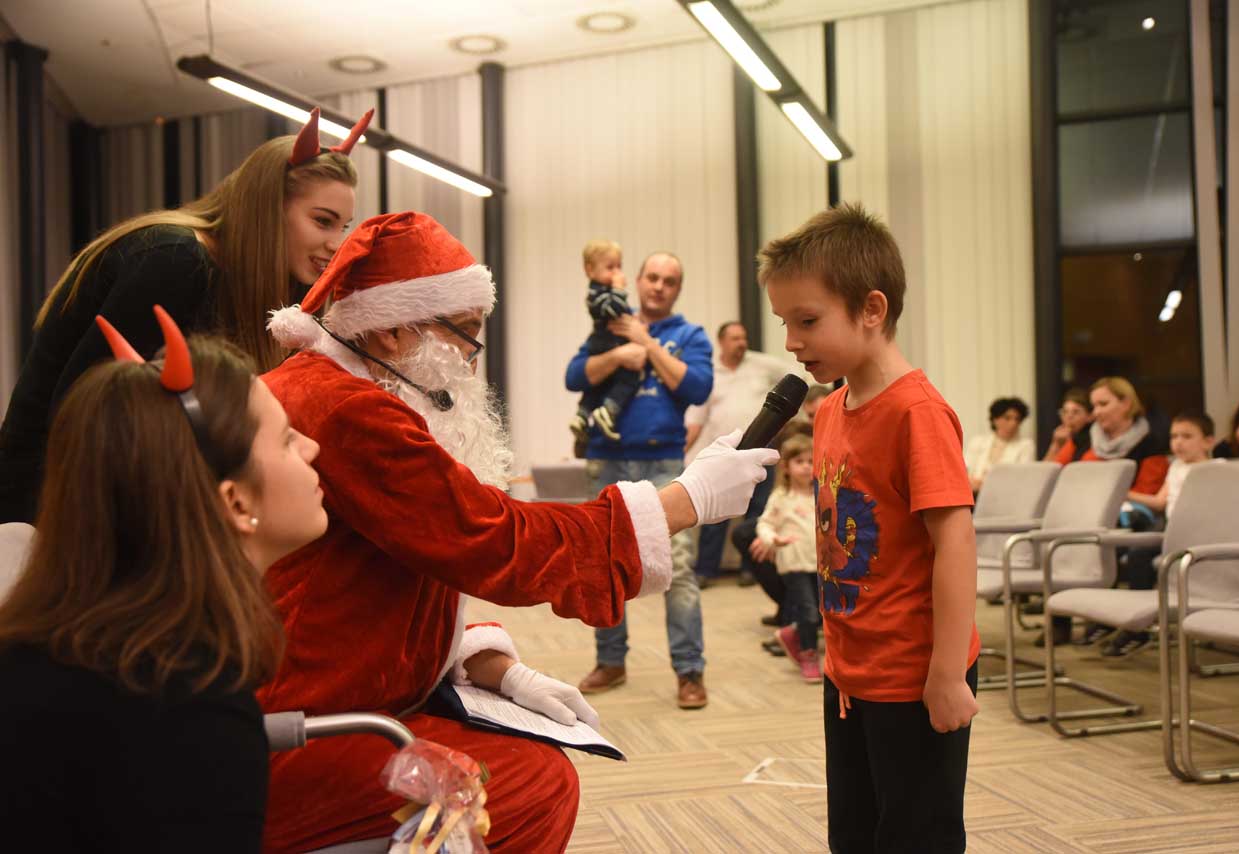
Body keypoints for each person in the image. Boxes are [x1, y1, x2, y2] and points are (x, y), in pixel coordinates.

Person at [259, 212, 775, 853]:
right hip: (305, 722)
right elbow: (489, 538)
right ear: (390, 329)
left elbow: (409, 558)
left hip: (331, 694)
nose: (470, 359)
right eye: (464, 333)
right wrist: (684, 501)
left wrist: (487, 661)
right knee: (532, 785)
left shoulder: (341, 383)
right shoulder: (350, 407)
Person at [0, 310, 327, 853]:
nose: (312, 448)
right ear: (234, 502)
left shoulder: (44, 649)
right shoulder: (191, 709)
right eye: (288, 440)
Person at [0, 107, 368, 524]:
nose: (337, 244)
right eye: (322, 221)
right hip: (48, 511)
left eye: (343, 227)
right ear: (268, 208)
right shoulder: (174, 259)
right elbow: (87, 414)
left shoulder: (260, 284)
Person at [761, 203, 980, 854]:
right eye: (784, 323)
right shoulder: (829, 410)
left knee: (916, 837)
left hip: (914, 676)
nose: (792, 342)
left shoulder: (917, 413)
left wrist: (947, 675)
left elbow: (956, 544)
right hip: (850, 673)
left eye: (807, 321)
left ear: (872, 310)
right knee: (855, 834)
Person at [568, 251, 716, 710]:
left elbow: (697, 388)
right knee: (603, 565)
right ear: (638, 280)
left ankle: (689, 670)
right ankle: (611, 661)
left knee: (680, 570)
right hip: (607, 461)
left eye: (669, 281)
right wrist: (619, 352)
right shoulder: (611, 323)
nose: (658, 286)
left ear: (677, 289)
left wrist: (646, 343)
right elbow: (574, 376)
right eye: (652, 277)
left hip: (663, 465)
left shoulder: (689, 335)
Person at [1049, 377, 1170, 648]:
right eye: (1094, 406)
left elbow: (1147, 493)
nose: (1096, 412)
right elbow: (1055, 473)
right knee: (1059, 533)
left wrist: (1107, 497)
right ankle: (1063, 623)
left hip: (1130, 518)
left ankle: (1110, 621)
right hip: (1083, 513)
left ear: (1126, 404)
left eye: (1103, 404)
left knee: (1098, 540)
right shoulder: (1084, 438)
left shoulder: (1150, 442)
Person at [684, 321, 794, 584]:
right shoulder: (710, 374)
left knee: (757, 511)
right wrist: (680, 453)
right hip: (725, 454)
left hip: (762, 450)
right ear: (721, 342)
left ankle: (750, 569)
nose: (741, 343)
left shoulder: (762, 365)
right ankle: (706, 570)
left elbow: (797, 379)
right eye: (734, 338)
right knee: (716, 513)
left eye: (743, 337)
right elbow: (696, 421)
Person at [1102, 410, 1219, 656]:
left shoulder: (1217, 468)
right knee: (1125, 548)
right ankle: (1118, 619)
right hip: (1170, 528)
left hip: (1199, 533)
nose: (1178, 442)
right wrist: (1123, 492)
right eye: (1174, 436)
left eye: (1187, 436)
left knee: (1139, 554)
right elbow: (1159, 501)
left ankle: (1138, 628)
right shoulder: (1176, 466)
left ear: (1208, 441)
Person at [754, 435, 820, 683]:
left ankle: (791, 633)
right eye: (799, 461)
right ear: (786, 467)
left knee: (822, 613)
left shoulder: (820, 494)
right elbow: (764, 524)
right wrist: (772, 539)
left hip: (820, 565)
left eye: (811, 461)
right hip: (794, 565)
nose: (806, 467)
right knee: (809, 613)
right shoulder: (781, 497)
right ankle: (809, 655)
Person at [569, 239, 639, 442]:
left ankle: (582, 415)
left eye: (619, 266)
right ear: (590, 270)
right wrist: (619, 289)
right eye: (610, 267)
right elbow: (613, 310)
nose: (617, 273)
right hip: (608, 342)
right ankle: (609, 410)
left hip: (605, 342)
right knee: (629, 377)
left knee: (599, 383)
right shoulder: (597, 292)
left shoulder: (601, 290)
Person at [964, 397, 1035, 494]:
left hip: (1005, 496)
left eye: (1017, 419)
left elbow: (1022, 479)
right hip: (972, 494)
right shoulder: (977, 442)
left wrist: (986, 485)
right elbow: (965, 470)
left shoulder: (1026, 445)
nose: (1013, 423)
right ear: (995, 419)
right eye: (1007, 418)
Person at [1042, 388, 1092, 461]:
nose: (1069, 417)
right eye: (1065, 412)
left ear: (1089, 416)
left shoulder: (1094, 439)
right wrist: (1056, 444)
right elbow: (1046, 467)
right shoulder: (1063, 439)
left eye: (1076, 412)